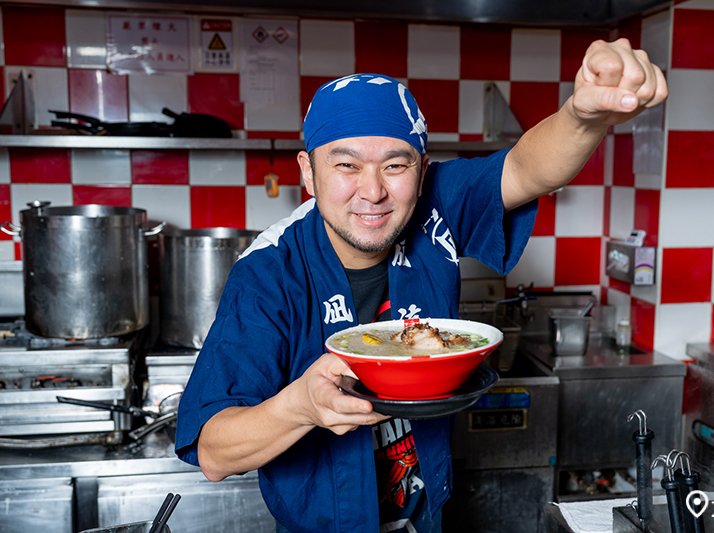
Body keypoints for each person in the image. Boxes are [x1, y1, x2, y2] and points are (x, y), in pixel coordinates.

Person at [175, 38, 667, 533]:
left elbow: (525, 168)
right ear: (308, 172)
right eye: (346, 165)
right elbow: (214, 450)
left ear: (421, 169)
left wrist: (583, 117)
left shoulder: (436, 206)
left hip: (426, 518)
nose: (373, 191)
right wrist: (300, 406)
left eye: (395, 165)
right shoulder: (269, 272)